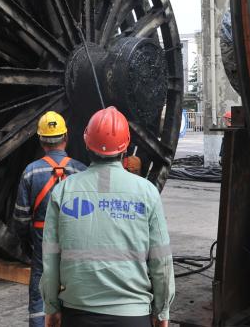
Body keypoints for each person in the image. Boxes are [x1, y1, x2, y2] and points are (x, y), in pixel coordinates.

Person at [41, 107, 175, 327]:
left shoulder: (64, 191)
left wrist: (51, 307)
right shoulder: (147, 192)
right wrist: (161, 312)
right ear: (126, 145)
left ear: (87, 142)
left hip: (77, 314)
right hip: (133, 316)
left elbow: (50, 258)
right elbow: (161, 261)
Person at [14, 111, 87, 327]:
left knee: (40, 289)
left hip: (42, 242)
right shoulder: (80, 170)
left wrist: (27, 243)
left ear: (41, 140)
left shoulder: (30, 172)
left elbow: (21, 218)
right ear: (66, 137)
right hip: (74, 243)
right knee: (75, 286)